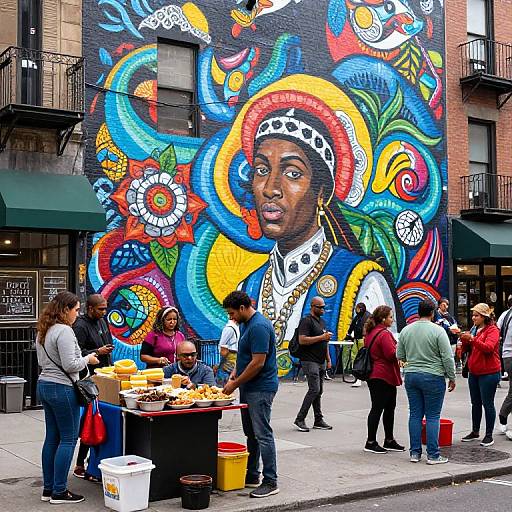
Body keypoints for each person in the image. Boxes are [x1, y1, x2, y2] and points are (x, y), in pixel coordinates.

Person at [237, 92, 397, 377]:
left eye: (293, 173)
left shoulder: (361, 279)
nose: (270, 188)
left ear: (322, 192)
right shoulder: (249, 284)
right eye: (262, 169)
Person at [36, 291, 100, 504]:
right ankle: (60, 491)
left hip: (44, 384)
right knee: (69, 438)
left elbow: (42, 361)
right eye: (76, 310)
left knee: (52, 437)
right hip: (61, 388)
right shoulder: (64, 331)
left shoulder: (44, 331)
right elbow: (70, 364)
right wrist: (88, 359)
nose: (77, 314)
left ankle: (48, 488)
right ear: (65, 310)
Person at [222, 291, 279, 498]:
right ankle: (252, 474)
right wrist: (234, 373)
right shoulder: (245, 324)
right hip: (248, 387)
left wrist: (235, 384)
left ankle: (270, 480)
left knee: (263, 434)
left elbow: (258, 362)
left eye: (232, 313)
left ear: (243, 308)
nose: (231, 318)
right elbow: (244, 357)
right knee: (251, 433)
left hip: (261, 388)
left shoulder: (259, 327)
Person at [397, 300, 456, 464]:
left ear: (418, 312)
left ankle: (415, 453)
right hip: (433, 376)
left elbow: (400, 355)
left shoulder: (406, 330)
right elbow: (447, 357)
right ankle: (433, 455)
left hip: (411, 375)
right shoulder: (438, 331)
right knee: (433, 416)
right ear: (433, 312)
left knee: (415, 414)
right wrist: (452, 377)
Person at [72, 294, 114, 482]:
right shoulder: (80, 326)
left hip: (106, 375)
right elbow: (76, 353)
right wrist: (97, 351)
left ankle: (95, 461)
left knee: (103, 421)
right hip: (90, 381)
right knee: (91, 421)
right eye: (100, 309)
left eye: (105, 309)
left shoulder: (103, 322)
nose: (104, 312)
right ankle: (80, 463)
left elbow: (107, 343)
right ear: (90, 308)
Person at [363, 305, 404, 454]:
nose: (392, 320)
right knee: (379, 408)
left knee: (387, 408)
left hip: (377, 375)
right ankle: (371, 442)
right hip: (382, 375)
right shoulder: (384, 334)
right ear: (383, 318)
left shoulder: (371, 332)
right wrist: (400, 347)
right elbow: (391, 355)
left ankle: (389, 440)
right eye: (391, 317)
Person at [460, 303, 501, 447]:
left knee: (487, 403)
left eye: (476, 315)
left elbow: (489, 348)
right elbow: (470, 348)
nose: (473, 318)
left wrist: (472, 339)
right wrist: (464, 341)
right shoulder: (475, 329)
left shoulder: (493, 330)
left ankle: (489, 434)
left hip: (489, 373)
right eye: (473, 315)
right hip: (475, 372)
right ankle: (475, 431)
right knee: (475, 403)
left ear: (484, 317)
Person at [293, 296, 332, 432]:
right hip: (309, 361)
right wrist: (322, 337)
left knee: (319, 391)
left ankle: (318, 419)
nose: (323, 309)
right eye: (320, 307)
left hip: (320, 361)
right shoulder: (306, 321)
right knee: (314, 389)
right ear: (313, 307)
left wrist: (328, 359)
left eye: (324, 307)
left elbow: (325, 342)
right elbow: (302, 340)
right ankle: (300, 419)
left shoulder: (321, 322)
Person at [497, 296, 512, 438]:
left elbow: (497, 332)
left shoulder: (504, 315)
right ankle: (502, 416)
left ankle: (503, 416)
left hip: (507, 356)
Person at [346, 302, 371, 387]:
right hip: (357, 339)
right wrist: (348, 334)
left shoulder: (368, 316)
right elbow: (352, 325)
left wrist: (366, 337)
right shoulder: (357, 317)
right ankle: (357, 374)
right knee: (354, 356)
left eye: (357, 308)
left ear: (361, 308)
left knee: (362, 358)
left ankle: (360, 377)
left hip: (362, 339)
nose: (356, 310)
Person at [434, 298, 461, 369]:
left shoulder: (449, 316)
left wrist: (457, 329)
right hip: (442, 340)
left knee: (450, 358)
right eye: (443, 305)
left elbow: (454, 324)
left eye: (447, 305)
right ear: (439, 305)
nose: (446, 307)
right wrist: (449, 330)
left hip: (452, 340)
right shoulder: (435, 315)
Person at [215, 319, 240, 387]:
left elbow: (222, 345)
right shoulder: (233, 328)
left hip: (229, 357)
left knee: (222, 379)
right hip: (232, 357)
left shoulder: (230, 328)